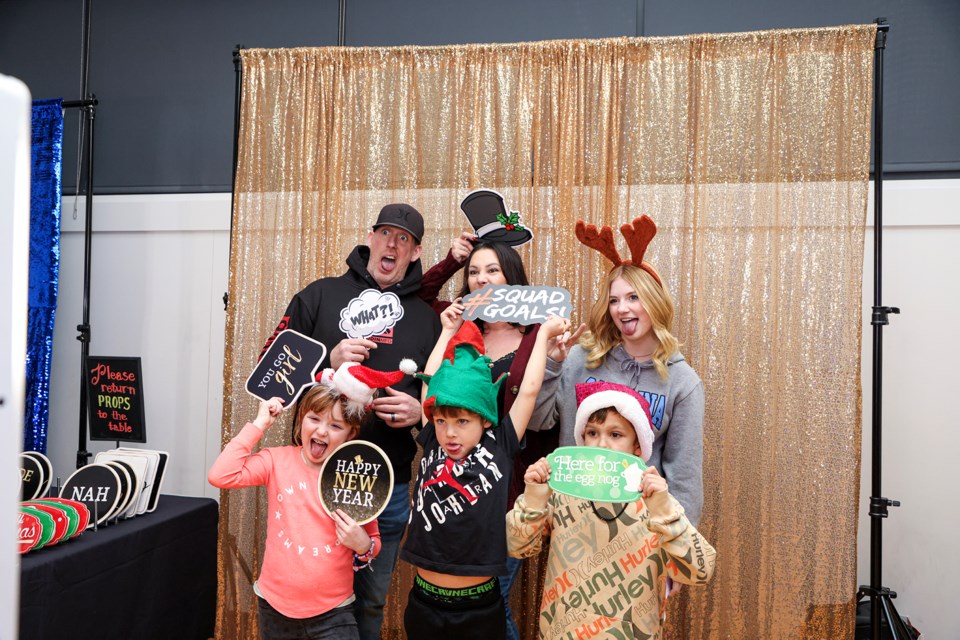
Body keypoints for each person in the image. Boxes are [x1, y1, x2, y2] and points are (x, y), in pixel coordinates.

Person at [260, 203, 441, 639]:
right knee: (309, 599)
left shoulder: (427, 319)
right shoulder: (319, 296)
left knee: (371, 600)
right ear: (371, 238)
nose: (392, 244)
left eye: (404, 239)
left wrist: (422, 413)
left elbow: (446, 398)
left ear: (415, 252)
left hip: (387, 487)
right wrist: (327, 357)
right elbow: (270, 371)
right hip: (309, 480)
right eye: (385, 234)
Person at [421, 236, 585, 639]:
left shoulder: (538, 337)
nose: (482, 278)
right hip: (450, 492)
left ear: (512, 277)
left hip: (508, 490)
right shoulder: (459, 333)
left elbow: (543, 418)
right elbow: (432, 392)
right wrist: (448, 268)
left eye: (492, 269)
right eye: (474, 272)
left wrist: (551, 360)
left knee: (491, 602)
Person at [400, 308, 570, 640]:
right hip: (424, 602)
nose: (450, 433)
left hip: (479, 608)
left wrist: (543, 335)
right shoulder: (434, 440)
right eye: (442, 421)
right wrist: (447, 331)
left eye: (462, 422)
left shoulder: (500, 443)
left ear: (485, 419)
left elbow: (530, 391)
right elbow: (429, 391)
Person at [532, 216, 705, 530]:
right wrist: (553, 365)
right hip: (574, 519)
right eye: (614, 300)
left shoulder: (683, 382)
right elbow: (537, 422)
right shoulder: (581, 358)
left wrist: (679, 548)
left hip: (638, 531)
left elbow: (684, 477)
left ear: (654, 301)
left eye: (633, 297)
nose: (622, 308)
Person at [507, 380, 716, 639]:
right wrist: (535, 496)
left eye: (615, 435)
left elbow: (701, 570)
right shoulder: (563, 494)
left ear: (637, 447)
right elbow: (517, 545)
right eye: (592, 433)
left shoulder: (656, 503)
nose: (601, 444)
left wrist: (663, 508)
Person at [208, 361, 395, 640]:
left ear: (350, 434)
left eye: (335, 425)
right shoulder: (276, 460)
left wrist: (363, 545)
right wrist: (259, 424)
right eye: (314, 419)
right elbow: (221, 475)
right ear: (300, 419)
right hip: (274, 606)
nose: (321, 432)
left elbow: (373, 541)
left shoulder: (354, 476)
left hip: (335, 611)